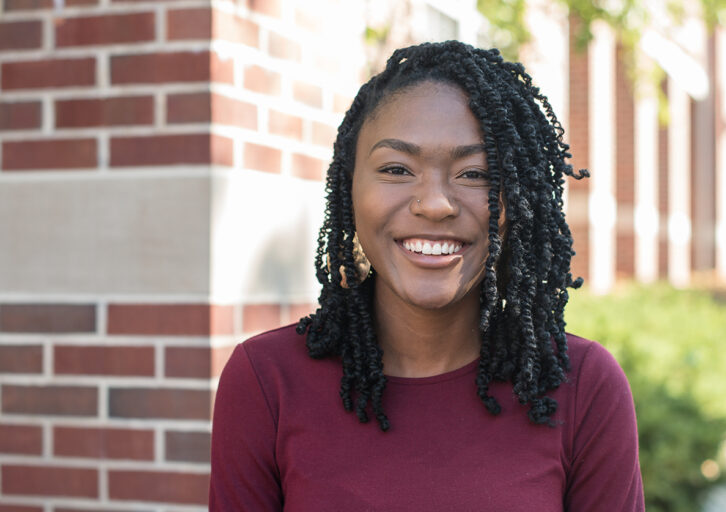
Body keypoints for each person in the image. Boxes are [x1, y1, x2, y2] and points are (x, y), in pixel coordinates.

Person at [209, 40, 644, 511]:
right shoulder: (266, 382)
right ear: (348, 187)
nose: (435, 203)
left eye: (476, 173)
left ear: (516, 201)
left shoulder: (583, 388)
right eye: (397, 168)